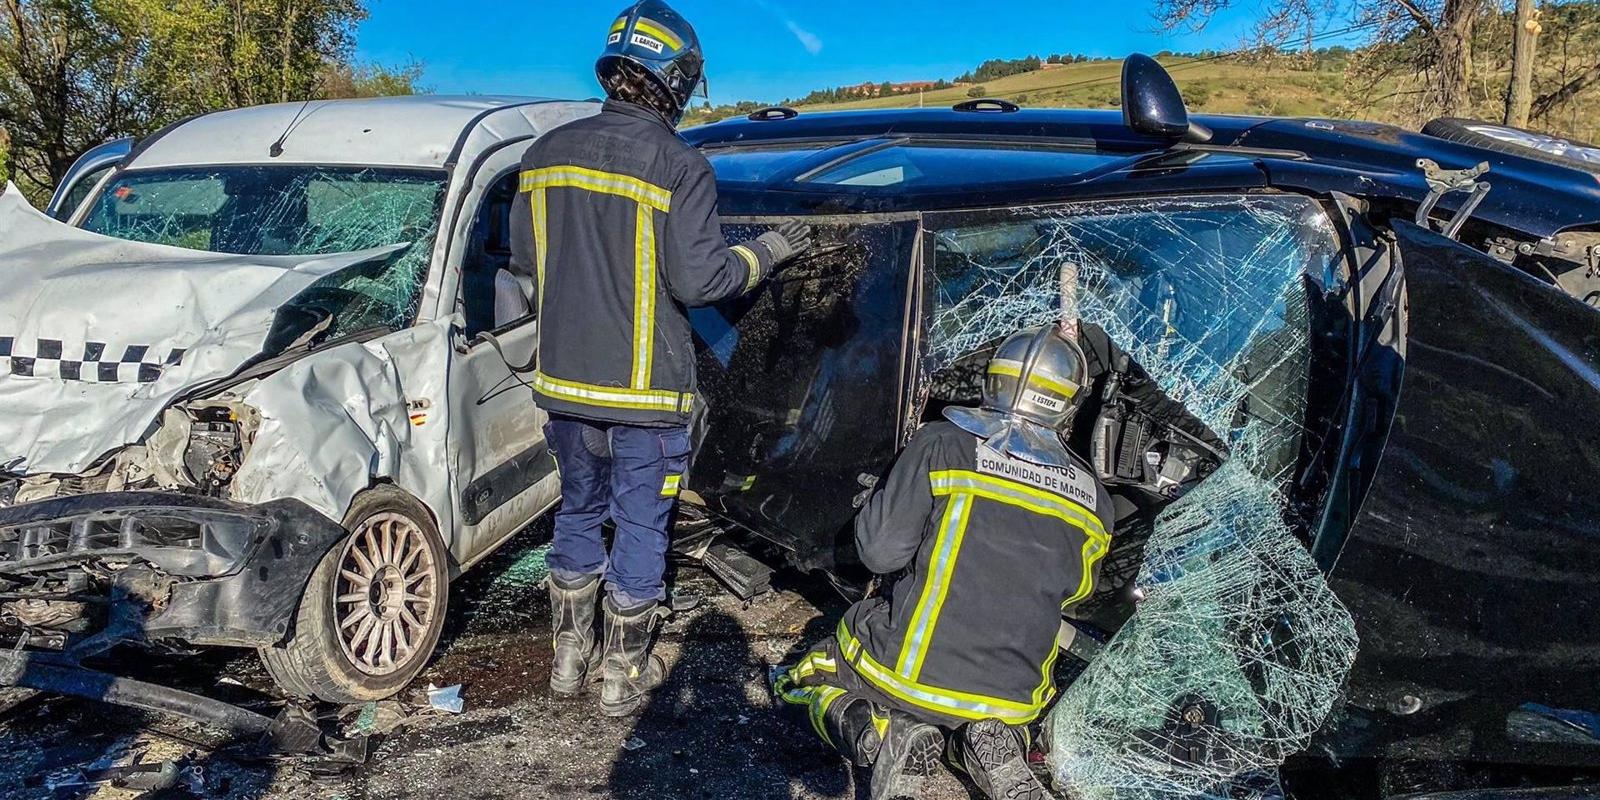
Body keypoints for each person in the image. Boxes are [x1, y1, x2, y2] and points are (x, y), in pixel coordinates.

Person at [510, 0, 814, 717]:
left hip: (562, 387)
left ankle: (566, 661)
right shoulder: (681, 165)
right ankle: (621, 677)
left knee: (579, 513)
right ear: (674, 80)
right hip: (644, 397)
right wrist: (769, 251)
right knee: (642, 524)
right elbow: (703, 281)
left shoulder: (542, 155)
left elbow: (526, 259)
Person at [774, 324, 1113, 800]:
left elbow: (880, 552)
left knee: (805, 675)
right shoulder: (1095, 499)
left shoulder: (942, 443)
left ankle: (882, 733)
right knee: (994, 710)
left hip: (908, 675)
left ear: (990, 381)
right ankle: (992, 743)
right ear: (1068, 405)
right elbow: (1077, 592)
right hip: (1013, 697)